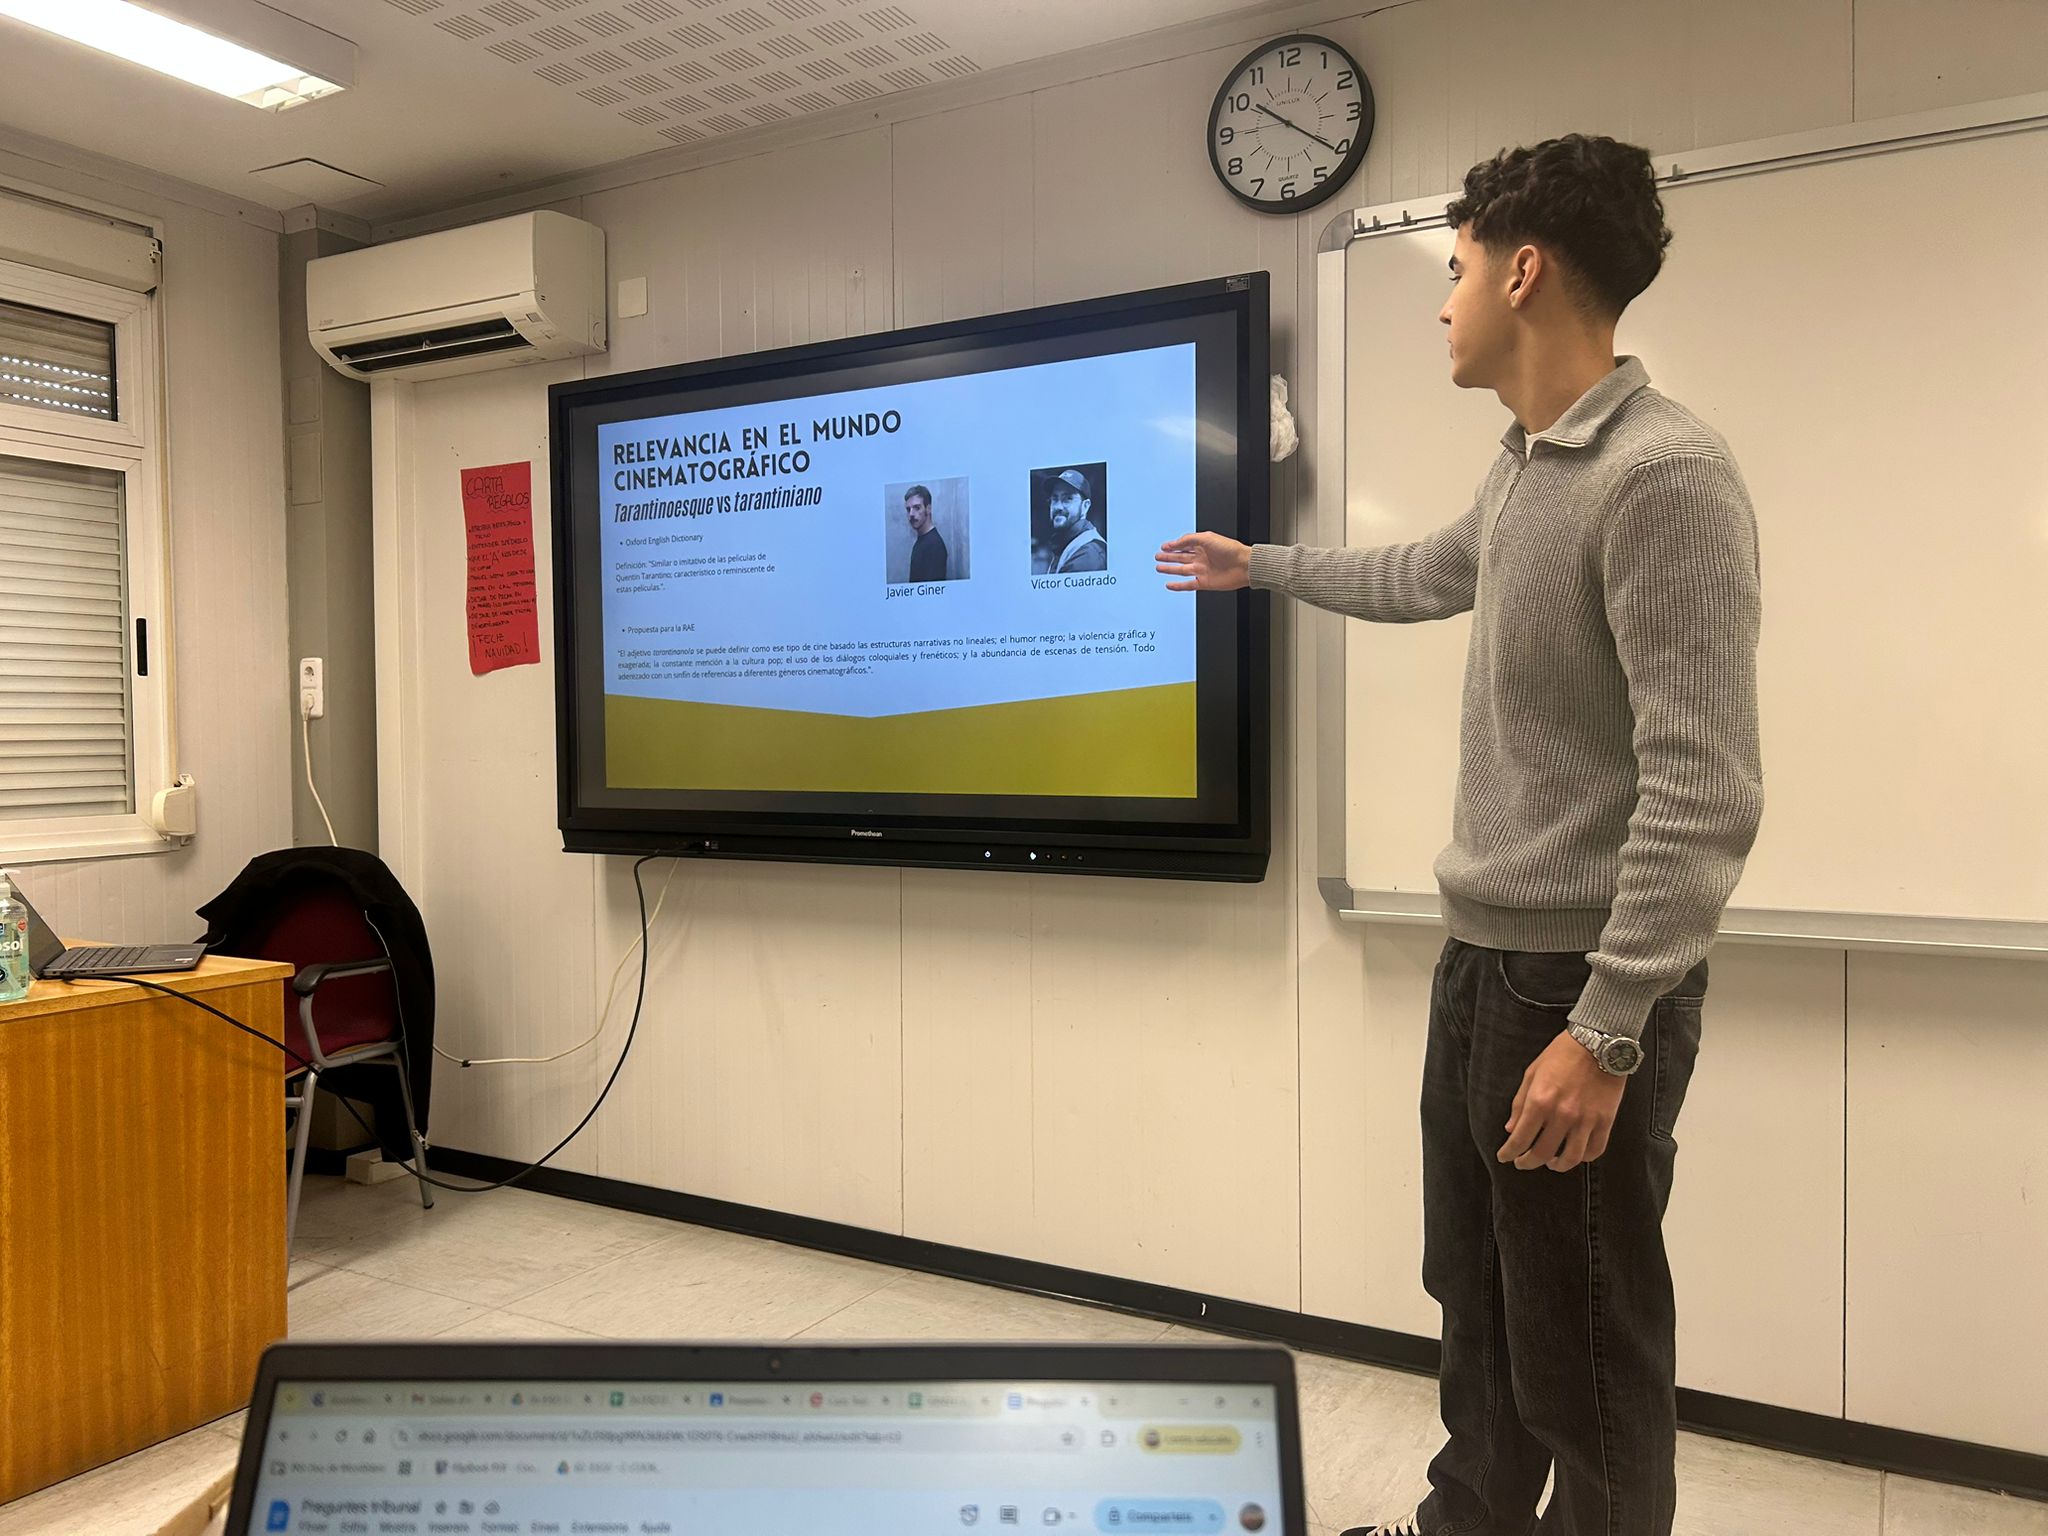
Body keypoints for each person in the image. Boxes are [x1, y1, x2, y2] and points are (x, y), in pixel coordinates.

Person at [1157, 134, 1763, 1536]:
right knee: (1479, 1303)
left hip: (1575, 987)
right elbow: (1425, 571)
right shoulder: (1524, 467)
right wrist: (1262, 565)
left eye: (1455, 270)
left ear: (1523, 271)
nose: (1443, 302)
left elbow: (1705, 789)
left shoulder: (1664, 476)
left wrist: (1606, 1032)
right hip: (1481, 963)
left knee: (1583, 1344)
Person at [1045, 468, 1106, 573]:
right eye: (1055, 499)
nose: (1058, 507)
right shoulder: (1065, 544)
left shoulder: (1088, 554)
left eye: (1068, 499)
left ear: (1085, 506)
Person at [903, 484, 948, 581]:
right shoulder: (923, 540)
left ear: (928, 509)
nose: (911, 514)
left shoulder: (934, 546)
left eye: (917, 508)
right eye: (908, 509)